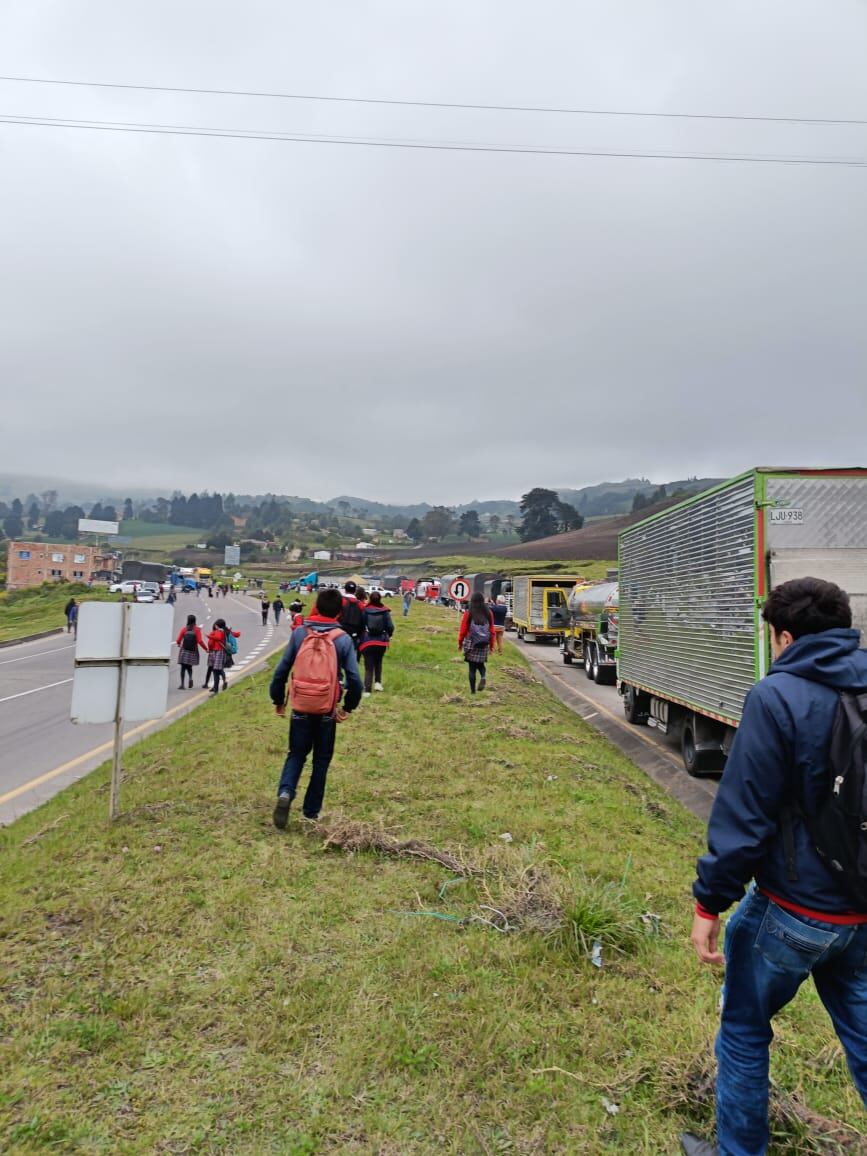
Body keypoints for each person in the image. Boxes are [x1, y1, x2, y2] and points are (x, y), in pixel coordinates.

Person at [683, 577, 867, 1156]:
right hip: (860, 914)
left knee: (742, 1032)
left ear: (784, 637)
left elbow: (744, 817)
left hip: (791, 910)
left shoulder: (774, 696)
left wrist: (709, 903)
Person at [270, 587, 362, 827]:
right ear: (340, 612)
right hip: (326, 710)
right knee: (321, 760)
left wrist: (278, 699)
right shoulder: (342, 639)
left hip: (300, 706)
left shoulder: (300, 633)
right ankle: (311, 812)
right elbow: (355, 680)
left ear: (316, 607)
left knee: (296, 754)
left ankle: (286, 792)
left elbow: (281, 670)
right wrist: (348, 707)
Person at [458, 592, 495, 694]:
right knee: (481, 664)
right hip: (484, 642)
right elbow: (492, 631)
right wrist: (492, 646)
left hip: (471, 642)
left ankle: (473, 691)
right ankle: (483, 676)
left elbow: (463, 630)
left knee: (472, 668)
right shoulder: (489, 613)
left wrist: (460, 643)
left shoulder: (468, 613)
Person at [359, 591, 394, 694]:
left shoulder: (365, 610)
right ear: (380, 599)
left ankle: (367, 690)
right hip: (381, 642)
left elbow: (361, 624)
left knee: (368, 666)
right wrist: (388, 635)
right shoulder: (385, 611)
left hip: (367, 641)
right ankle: (378, 684)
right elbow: (391, 627)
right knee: (378, 662)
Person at [204, 617, 240, 694]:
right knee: (218, 669)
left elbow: (215, 640)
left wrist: (209, 637)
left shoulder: (218, 632)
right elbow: (237, 634)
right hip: (224, 652)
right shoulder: (226, 631)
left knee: (216, 670)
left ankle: (215, 690)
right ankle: (220, 684)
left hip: (217, 652)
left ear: (217, 626)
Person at [175, 613, 207, 689]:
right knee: (189, 666)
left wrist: (179, 644)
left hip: (184, 650)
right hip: (193, 651)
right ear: (195, 621)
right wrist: (206, 649)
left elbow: (178, 640)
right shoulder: (197, 630)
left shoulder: (184, 629)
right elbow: (200, 641)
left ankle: (182, 684)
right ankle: (190, 678)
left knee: (183, 667)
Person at [339, 581, 364, 652]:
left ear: (345, 589)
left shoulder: (340, 600)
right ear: (355, 590)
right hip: (354, 634)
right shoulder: (360, 604)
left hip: (340, 632)